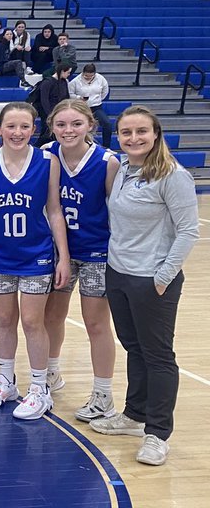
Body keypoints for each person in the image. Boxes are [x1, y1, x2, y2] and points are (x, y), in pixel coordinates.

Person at [88, 106, 198, 466]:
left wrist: (163, 276)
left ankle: (158, 433)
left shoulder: (173, 175)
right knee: (134, 347)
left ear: (156, 134)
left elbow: (188, 231)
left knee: (159, 355)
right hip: (119, 273)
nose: (134, 138)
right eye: (126, 132)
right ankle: (134, 415)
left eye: (141, 132)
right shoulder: (123, 168)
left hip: (152, 279)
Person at [0, 102, 70, 421]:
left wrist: (63, 257)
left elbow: (54, 211)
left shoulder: (47, 162)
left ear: (34, 129)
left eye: (24, 126)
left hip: (36, 255)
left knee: (31, 321)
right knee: (4, 320)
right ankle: (5, 381)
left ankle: (39, 388)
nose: (17, 132)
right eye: (11, 126)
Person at [42, 99, 120, 421]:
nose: (68, 130)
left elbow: (119, 213)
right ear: (52, 127)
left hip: (96, 252)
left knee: (96, 323)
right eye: (61, 124)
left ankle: (103, 395)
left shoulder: (107, 162)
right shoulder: (46, 154)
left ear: (90, 124)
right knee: (51, 316)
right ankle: (50, 374)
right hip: (58, 251)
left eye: (76, 123)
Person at [69, 62, 114, 145]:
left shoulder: (101, 79)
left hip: (96, 107)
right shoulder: (75, 81)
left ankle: (106, 146)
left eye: (91, 76)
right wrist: (78, 98)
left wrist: (97, 99)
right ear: (83, 73)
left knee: (107, 124)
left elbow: (105, 91)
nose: (88, 78)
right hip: (81, 108)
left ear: (94, 74)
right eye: (86, 76)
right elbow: (70, 94)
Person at [36, 60, 76, 145]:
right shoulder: (47, 82)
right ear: (62, 71)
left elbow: (66, 98)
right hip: (48, 112)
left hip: (60, 111)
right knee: (46, 134)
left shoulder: (64, 82)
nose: (69, 74)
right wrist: (50, 114)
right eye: (68, 72)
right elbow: (44, 100)